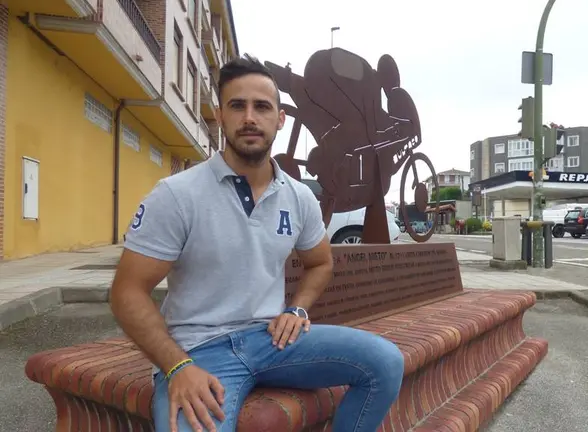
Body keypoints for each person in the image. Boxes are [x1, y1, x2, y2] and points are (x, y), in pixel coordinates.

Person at [109, 55, 405, 432]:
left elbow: (320, 262)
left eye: (262, 107)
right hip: (197, 351)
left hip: (272, 341)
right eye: (237, 106)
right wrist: (177, 366)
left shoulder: (299, 196)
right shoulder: (177, 194)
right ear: (220, 115)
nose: (250, 117)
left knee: (385, 362)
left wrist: (297, 309)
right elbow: (127, 292)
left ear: (280, 119)